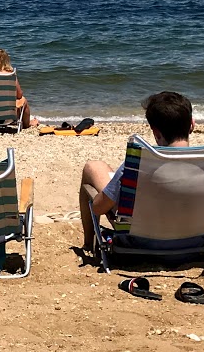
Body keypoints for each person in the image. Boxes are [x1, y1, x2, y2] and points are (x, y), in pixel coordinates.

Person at [79, 90, 193, 253]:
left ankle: (88, 245)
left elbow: (98, 209)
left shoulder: (137, 165)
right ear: (192, 125)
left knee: (92, 168)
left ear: (156, 133)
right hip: (192, 243)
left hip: (141, 242)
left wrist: (107, 195)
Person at [0, 47, 37, 128]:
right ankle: (27, 124)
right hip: (4, 118)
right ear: (6, 61)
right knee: (23, 100)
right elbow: (19, 95)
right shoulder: (10, 75)